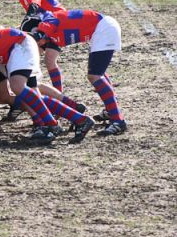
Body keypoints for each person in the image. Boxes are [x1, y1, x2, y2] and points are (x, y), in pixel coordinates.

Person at [33, 9, 127, 140]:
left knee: (95, 76)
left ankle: (118, 121)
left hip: (104, 29)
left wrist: (40, 31)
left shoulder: (47, 25)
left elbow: (48, 21)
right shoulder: (50, 35)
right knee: (98, 74)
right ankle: (111, 111)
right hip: (102, 29)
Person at [0, 0, 66, 95]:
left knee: (48, 60)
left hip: (57, 22)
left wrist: (23, 27)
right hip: (45, 24)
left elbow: (34, 6)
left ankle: (58, 99)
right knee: (32, 59)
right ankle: (34, 94)